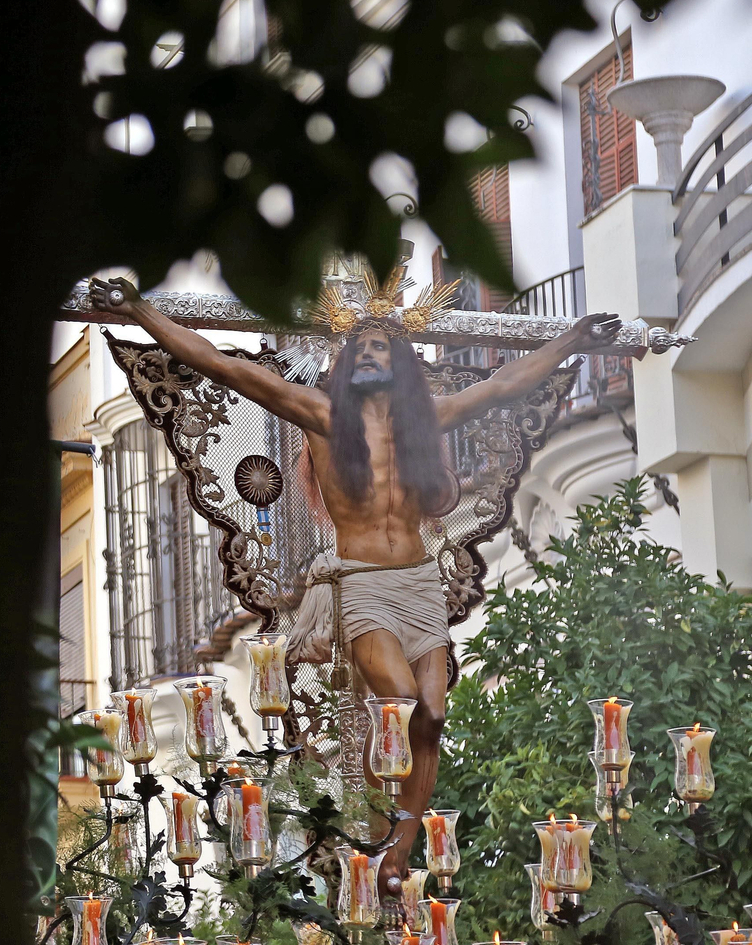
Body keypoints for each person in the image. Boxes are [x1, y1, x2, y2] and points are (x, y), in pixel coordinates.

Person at [88, 273, 619, 891]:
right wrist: (142, 311)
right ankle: (376, 833)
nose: (368, 354)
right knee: (398, 704)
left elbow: (503, 385)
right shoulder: (321, 416)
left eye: (381, 347)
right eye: (359, 347)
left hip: (420, 585)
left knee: (432, 718)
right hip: (364, 586)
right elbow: (222, 366)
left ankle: (399, 851)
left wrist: (576, 339)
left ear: (400, 365)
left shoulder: (426, 421)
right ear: (344, 364)